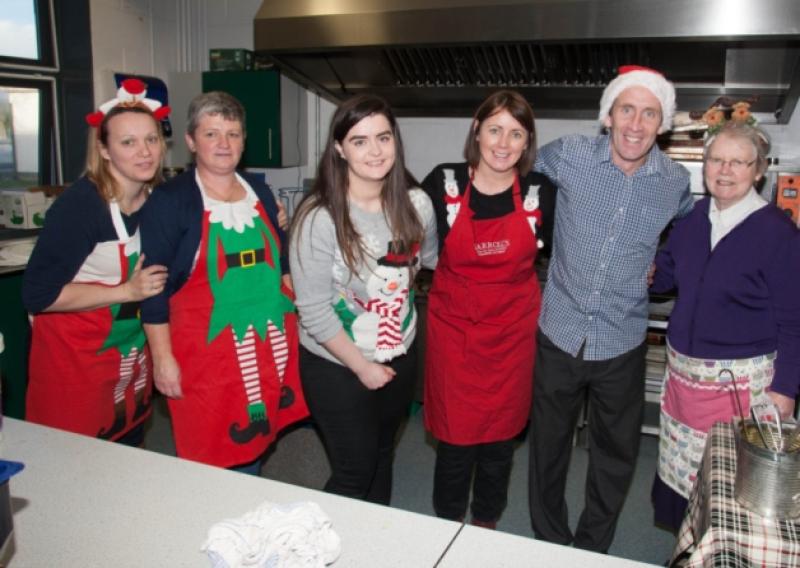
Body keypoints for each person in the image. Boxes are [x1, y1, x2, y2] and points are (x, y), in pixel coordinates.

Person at [528, 65, 695, 552]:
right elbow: (515, 175)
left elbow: (686, 226)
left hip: (622, 342)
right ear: (608, 115)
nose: (636, 124)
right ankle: (549, 540)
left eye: (649, 113)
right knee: (549, 447)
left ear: (662, 123)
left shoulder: (674, 181)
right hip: (559, 330)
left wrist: (659, 265)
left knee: (614, 456)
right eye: (627, 110)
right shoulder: (568, 156)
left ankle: (591, 548)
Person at [139, 91, 307, 472]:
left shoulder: (259, 191)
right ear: (190, 141)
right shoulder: (170, 201)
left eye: (233, 134)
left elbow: (279, 262)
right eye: (211, 133)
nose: (223, 144)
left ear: (243, 141)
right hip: (205, 350)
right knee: (209, 454)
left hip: (268, 341)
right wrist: (163, 360)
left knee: (259, 436)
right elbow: (154, 290)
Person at [651, 121, 800, 530]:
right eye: (716, 159)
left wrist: (785, 389)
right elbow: (666, 276)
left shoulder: (779, 234)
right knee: (684, 475)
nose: (725, 170)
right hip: (685, 381)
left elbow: (795, 320)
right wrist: (642, 268)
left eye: (738, 162)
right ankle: (688, 548)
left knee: (732, 485)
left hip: (743, 386)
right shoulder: (696, 217)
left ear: (758, 171)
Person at [289, 94, 438, 504]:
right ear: (339, 149)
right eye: (359, 141)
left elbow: (427, 263)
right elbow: (314, 311)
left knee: (382, 455)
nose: (375, 151)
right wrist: (363, 366)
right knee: (354, 472)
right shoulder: (318, 217)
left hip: (399, 355)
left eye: (383, 137)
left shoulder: (417, 204)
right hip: (337, 362)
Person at [421, 90, 556, 528]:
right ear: (477, 131)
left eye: (516, 133)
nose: (503, 143)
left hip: (512, 338)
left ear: (526, 141)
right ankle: (446, 524)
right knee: (455, 443)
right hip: (455, 335)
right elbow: (400, 233)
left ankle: (485, 527)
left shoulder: (540, 191)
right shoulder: (444, 183)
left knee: (500, 442)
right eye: (495, 129)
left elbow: (571, 253)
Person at [24, 79, 170, 446]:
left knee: (127, 445)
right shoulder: (82, 207)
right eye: (128, 142)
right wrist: (127, 290)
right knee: (72, 460)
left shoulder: (156, 198)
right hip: (75, 360)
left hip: (128, 355)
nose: (144, 152)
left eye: (151, 139)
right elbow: (38, 295)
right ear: (104, 150)